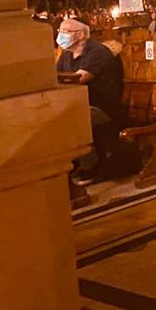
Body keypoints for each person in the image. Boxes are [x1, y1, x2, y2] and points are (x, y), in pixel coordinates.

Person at [56, 18, 127, 185]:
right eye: (59, 31)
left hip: (103, 106)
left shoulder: (97, 52)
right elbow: (55, 79)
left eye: (65, 32)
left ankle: (92, 164)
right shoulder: (66, 55)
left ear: (81, 35)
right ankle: (73, 163)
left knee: (66, 119)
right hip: (77, 104)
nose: (60, 35)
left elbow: (77, 80)